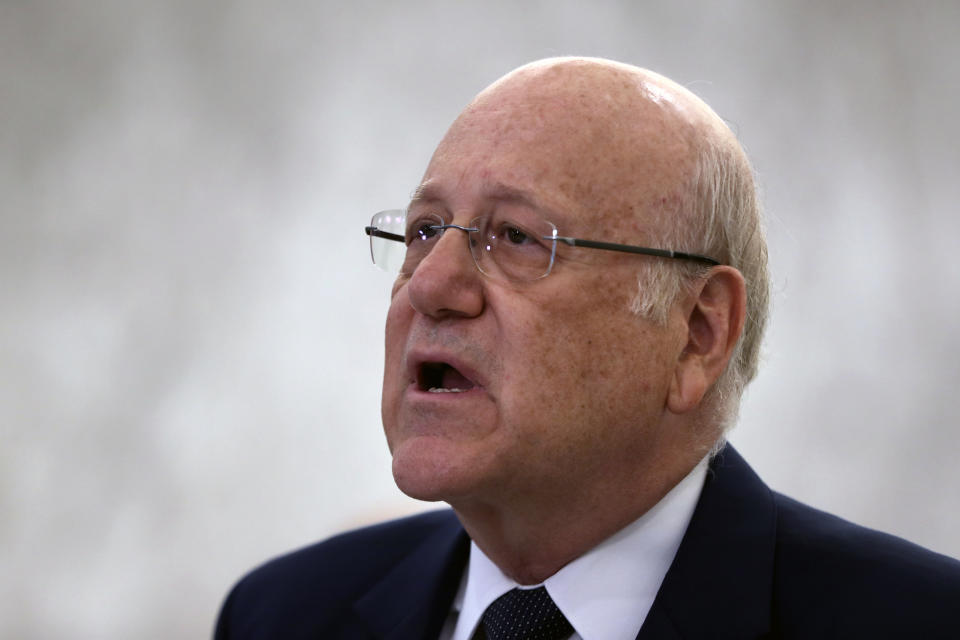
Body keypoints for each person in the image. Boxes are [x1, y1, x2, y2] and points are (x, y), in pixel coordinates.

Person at [214, 57, 960, 639]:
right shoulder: (280, 615)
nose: (431, 285)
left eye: (515, 237)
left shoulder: (918, 622)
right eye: (424, 230)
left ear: (698, 334)